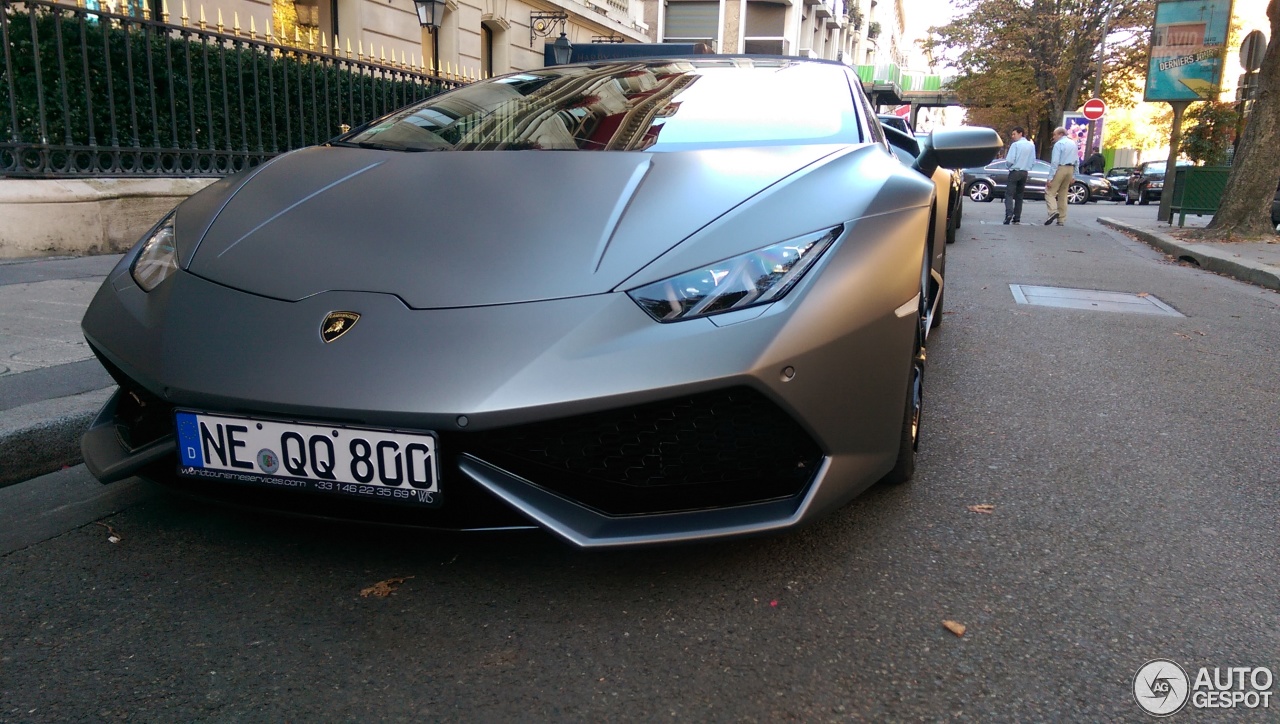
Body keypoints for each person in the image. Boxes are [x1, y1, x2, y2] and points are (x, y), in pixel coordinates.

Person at [1044, 127, 1078, 226]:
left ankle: (1053, 211)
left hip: (1060, 168)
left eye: (1054, 135)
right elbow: (1077, 161)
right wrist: (1074, 175)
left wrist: (1050, 178)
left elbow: (1055, 162)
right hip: (1070, 169)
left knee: (1049, 191)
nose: (1053, 137)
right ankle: (1061, 219)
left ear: (1060, 134)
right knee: (1063, 194)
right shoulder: (1073, 143)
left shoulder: (1059, 144)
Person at [1004, 127, 1035, 224]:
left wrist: (1008, 166)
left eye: (1014, 134)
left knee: (1009, 194)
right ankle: (1017, 217)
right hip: (1024, 172)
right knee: (1019, 195)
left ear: (1020, 133)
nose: (1013, 136)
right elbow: (1032, 160)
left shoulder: (1015, 145)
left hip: (1015, 171)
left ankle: (1009, 213)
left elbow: (1010, 160)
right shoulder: (1031, 145)